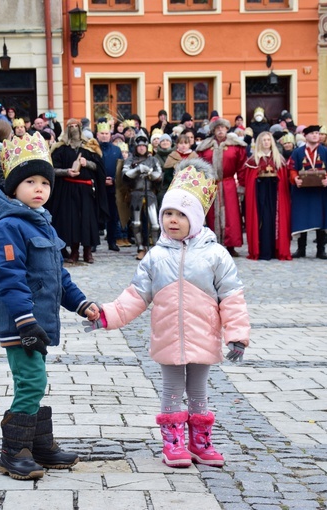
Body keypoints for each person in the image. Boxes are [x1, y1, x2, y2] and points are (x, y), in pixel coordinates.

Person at [83, 158, 250, 468]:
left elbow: (232, 296)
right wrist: (106, 316)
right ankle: (173, 441)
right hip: (169, 336)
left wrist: (237, 336)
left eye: (181, 215)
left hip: (204, 335)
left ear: (196, 218)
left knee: (199, 389)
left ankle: (200, 441)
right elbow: (135, 296)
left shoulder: (216, 255)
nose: (172, 220)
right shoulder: (155, 256)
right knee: (172, 388)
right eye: (168, 214)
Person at [0, 132, 100, 480]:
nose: (38, 189)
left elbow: (58, 276)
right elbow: (8, 278)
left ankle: (38, 443)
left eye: (44, 182)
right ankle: (13, 452)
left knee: (35, 380)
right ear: (13, 186)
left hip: (40, 323)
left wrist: (82, 304)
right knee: (32, 380)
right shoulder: (7, 227)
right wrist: (24, 320)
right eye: (29, 181)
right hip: (22, 323)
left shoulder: (41, 221)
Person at [49, 118, 107, 264]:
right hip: (68, 189)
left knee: (87, 219)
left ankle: (88, 252)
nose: (74, 128)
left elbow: (98, 167)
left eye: (76, 126)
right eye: (71, 126)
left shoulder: (89, 147)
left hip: (86, 189)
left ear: (81, 128)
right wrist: (66, 172)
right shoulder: (60, 148)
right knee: (72, 220)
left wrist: (86, 163)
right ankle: (74, 251)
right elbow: (53, 169)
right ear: (66, 128)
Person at [195, 117, 248, 257]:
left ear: (227, 129)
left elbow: (242, 167)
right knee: (212, 214)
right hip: (211, 184)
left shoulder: (236, 146)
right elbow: (198, 166)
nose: (220, 130)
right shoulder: (204, 147)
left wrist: (241, 185)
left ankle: (230, 245)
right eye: (217, 128)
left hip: (229, 183)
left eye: (222, 128)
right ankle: (213, 243)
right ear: (213, 130)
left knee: (231, 215)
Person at [287, 125, 327, 259]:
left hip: (320, 191)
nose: (316, 135)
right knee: (301, 218)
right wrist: (295, 178)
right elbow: (292, 168)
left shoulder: (326, 152)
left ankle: (321, 249)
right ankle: (301, 249)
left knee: (321, 218)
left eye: (317, 133)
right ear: (306, 136)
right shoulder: (297, 152)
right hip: (302, 192)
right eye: (312, 133)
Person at [242, 131, 291, 260]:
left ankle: (276, 249)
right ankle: (262, 250)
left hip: (275, 192)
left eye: (268, 140)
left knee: (275, 218)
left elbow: (284, 178)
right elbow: (248, 178)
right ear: (259, 142)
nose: (266, 142)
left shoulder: (278, 158)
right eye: (263, 140)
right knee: (261, 219)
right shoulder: (253, 160)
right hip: (259, 191)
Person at [123, 134, 162, 260]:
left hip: (150, 192)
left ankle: (155, 248)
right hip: (136, 192)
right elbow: (125, 175)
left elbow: (159, 176)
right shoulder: (130, 160)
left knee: (155, 224)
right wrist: (138, 170)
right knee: (136, 223)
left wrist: (150, 173)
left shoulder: (153, 160)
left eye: (143, 146)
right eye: (139, 146)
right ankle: (140, 247)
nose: (141, 148)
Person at [95, 120, 124, 252]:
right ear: (97, 135)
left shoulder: (117, 150)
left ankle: (112, 241)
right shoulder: (94, 150)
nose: (105, 136)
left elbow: (121, 168)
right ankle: (93, 243)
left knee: (113, 216)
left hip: (113, 187)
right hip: (98, 188)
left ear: (110, 134)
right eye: (102, 133)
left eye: (107, 133)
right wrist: (101, 180)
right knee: (96, 215)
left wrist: (113, 179)